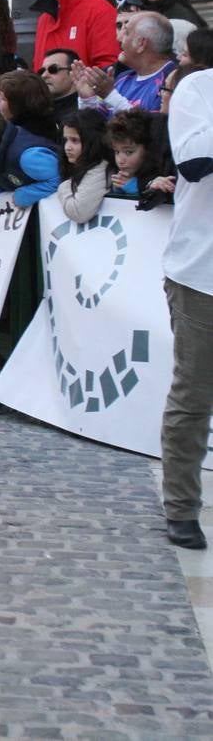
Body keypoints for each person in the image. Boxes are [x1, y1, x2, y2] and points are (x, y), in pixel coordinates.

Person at [159, 67, 213, 550]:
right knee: (193, 397)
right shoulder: (198, 89)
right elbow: (194, 161)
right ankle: (180, 506)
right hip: (201, 275)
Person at [76, 11, 177, 115]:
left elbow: (152, 128)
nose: (118, 39)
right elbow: (97, 128)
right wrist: (87, 100)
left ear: (141, 44)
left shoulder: (172, 81)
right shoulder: (122, 79)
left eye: (127, 33)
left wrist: (110, 95)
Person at [55, 109, 110, 223]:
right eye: (66, 140)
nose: (67, 147)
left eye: (75, 140)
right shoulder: (81, 165)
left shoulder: (100, 169)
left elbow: (79, 213)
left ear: (92, 141)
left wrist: (64, 186)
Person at [38, 47, 81, 127]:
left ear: (74, 73)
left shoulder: (87, 107)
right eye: (42, 71)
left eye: (53, 69)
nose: (44, 75)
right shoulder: (37, 111)